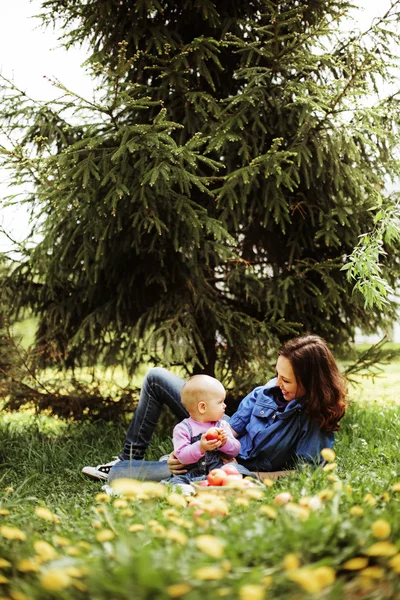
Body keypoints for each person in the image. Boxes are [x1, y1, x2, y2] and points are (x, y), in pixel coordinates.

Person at [82, 334, 347, 483]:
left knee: (166, 472)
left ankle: (130, 470)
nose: (277, 383)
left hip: (238, 470)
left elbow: (306, 474)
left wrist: (246, 474)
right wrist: (204, 439)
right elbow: (232, 426)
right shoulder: (269, 390)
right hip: (223, 444)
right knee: (156, 378)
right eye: (277, 374)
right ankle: (128, 457)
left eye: (286, 380)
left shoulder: (316, 418)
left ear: (311, 382)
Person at [164, 374, 246, 486]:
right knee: (177, 483)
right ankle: (186, 491)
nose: (225, 405)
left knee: (235, 473)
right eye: (220, 402)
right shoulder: (182, 429)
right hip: (190, 477)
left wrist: (224, 443)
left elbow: (236, 450)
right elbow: (181, 457)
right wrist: (200, 447)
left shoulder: (222, 425)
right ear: (203, 407)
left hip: (217, 475)